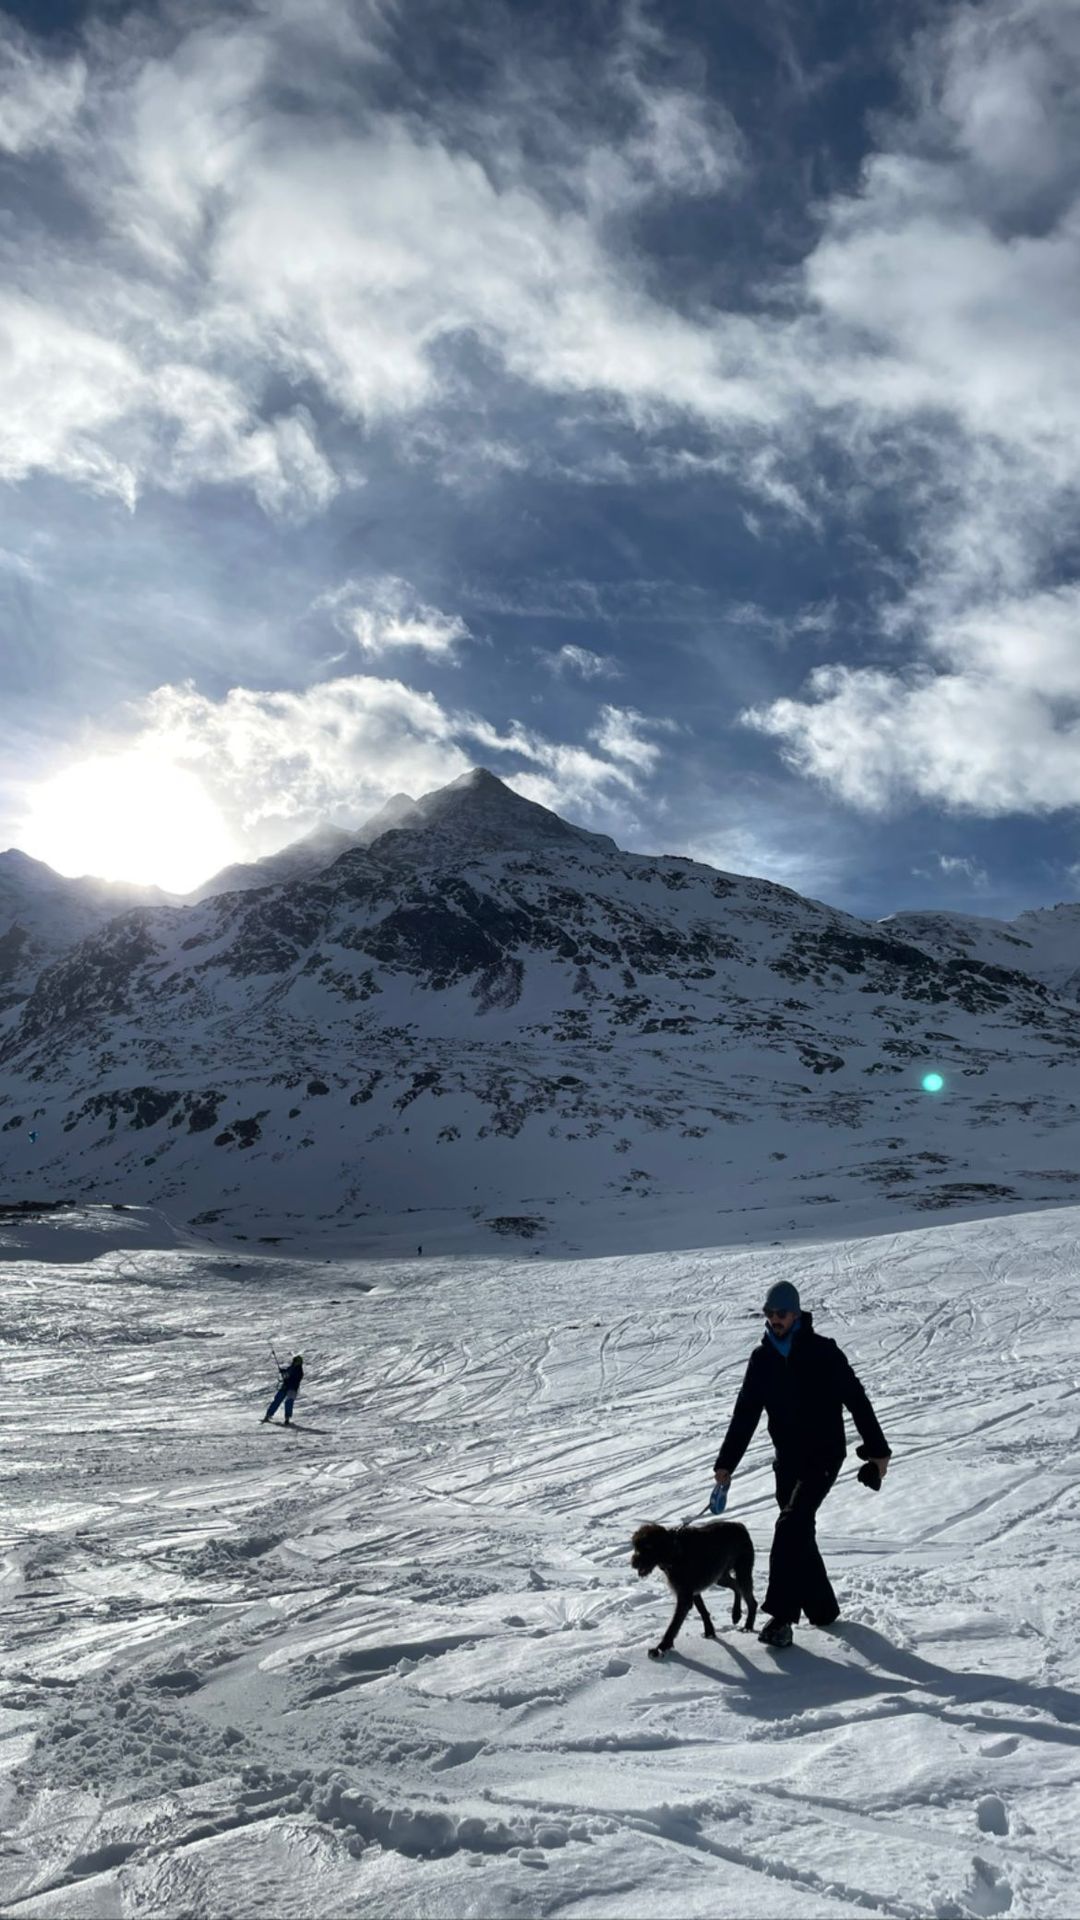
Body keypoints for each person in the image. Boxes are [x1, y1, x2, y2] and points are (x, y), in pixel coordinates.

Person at [713, 1281, 890, 1648]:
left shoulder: (823, 1352)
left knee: (790, 1523)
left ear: (796, 1314)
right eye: (769, 1314)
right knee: (799, 1530)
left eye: (781, 1313)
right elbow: (745, 1413)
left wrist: (878, 1450)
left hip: (824, 1454)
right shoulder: (761, 1360)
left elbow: (857, 1399)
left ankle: (781, 1615)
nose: (774, 1320)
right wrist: (726, 1464)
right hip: (788, 1459)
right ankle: (823, 1609)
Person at [263, 1354, 303, 1425]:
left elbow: (291, 1375)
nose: (293, 1362)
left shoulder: (299, 1370)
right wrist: (283, 1371)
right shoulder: (292, 1368)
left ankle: (287, 1418)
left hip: (292, 1388)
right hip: (286, 1387)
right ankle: (269, 1415)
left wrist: (285, 1373)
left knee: (288, 1402)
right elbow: (288, 1372)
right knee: (277, 1400)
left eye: (295, 1361)